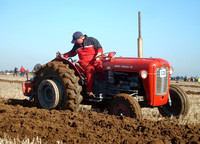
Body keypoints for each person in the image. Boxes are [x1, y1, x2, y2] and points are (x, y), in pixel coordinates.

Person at [60, 31, 103, 98]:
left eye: (76, 40)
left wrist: (98, 55)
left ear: (81, 38)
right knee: (90, 70)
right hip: (84, 63)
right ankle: (89, 91)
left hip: (95, 60)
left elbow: (99, 49)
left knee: (103, 69)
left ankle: (103, 89)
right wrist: (63, 56)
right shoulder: (76, 45)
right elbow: (71, 53)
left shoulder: (92, 40)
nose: (75, 42)